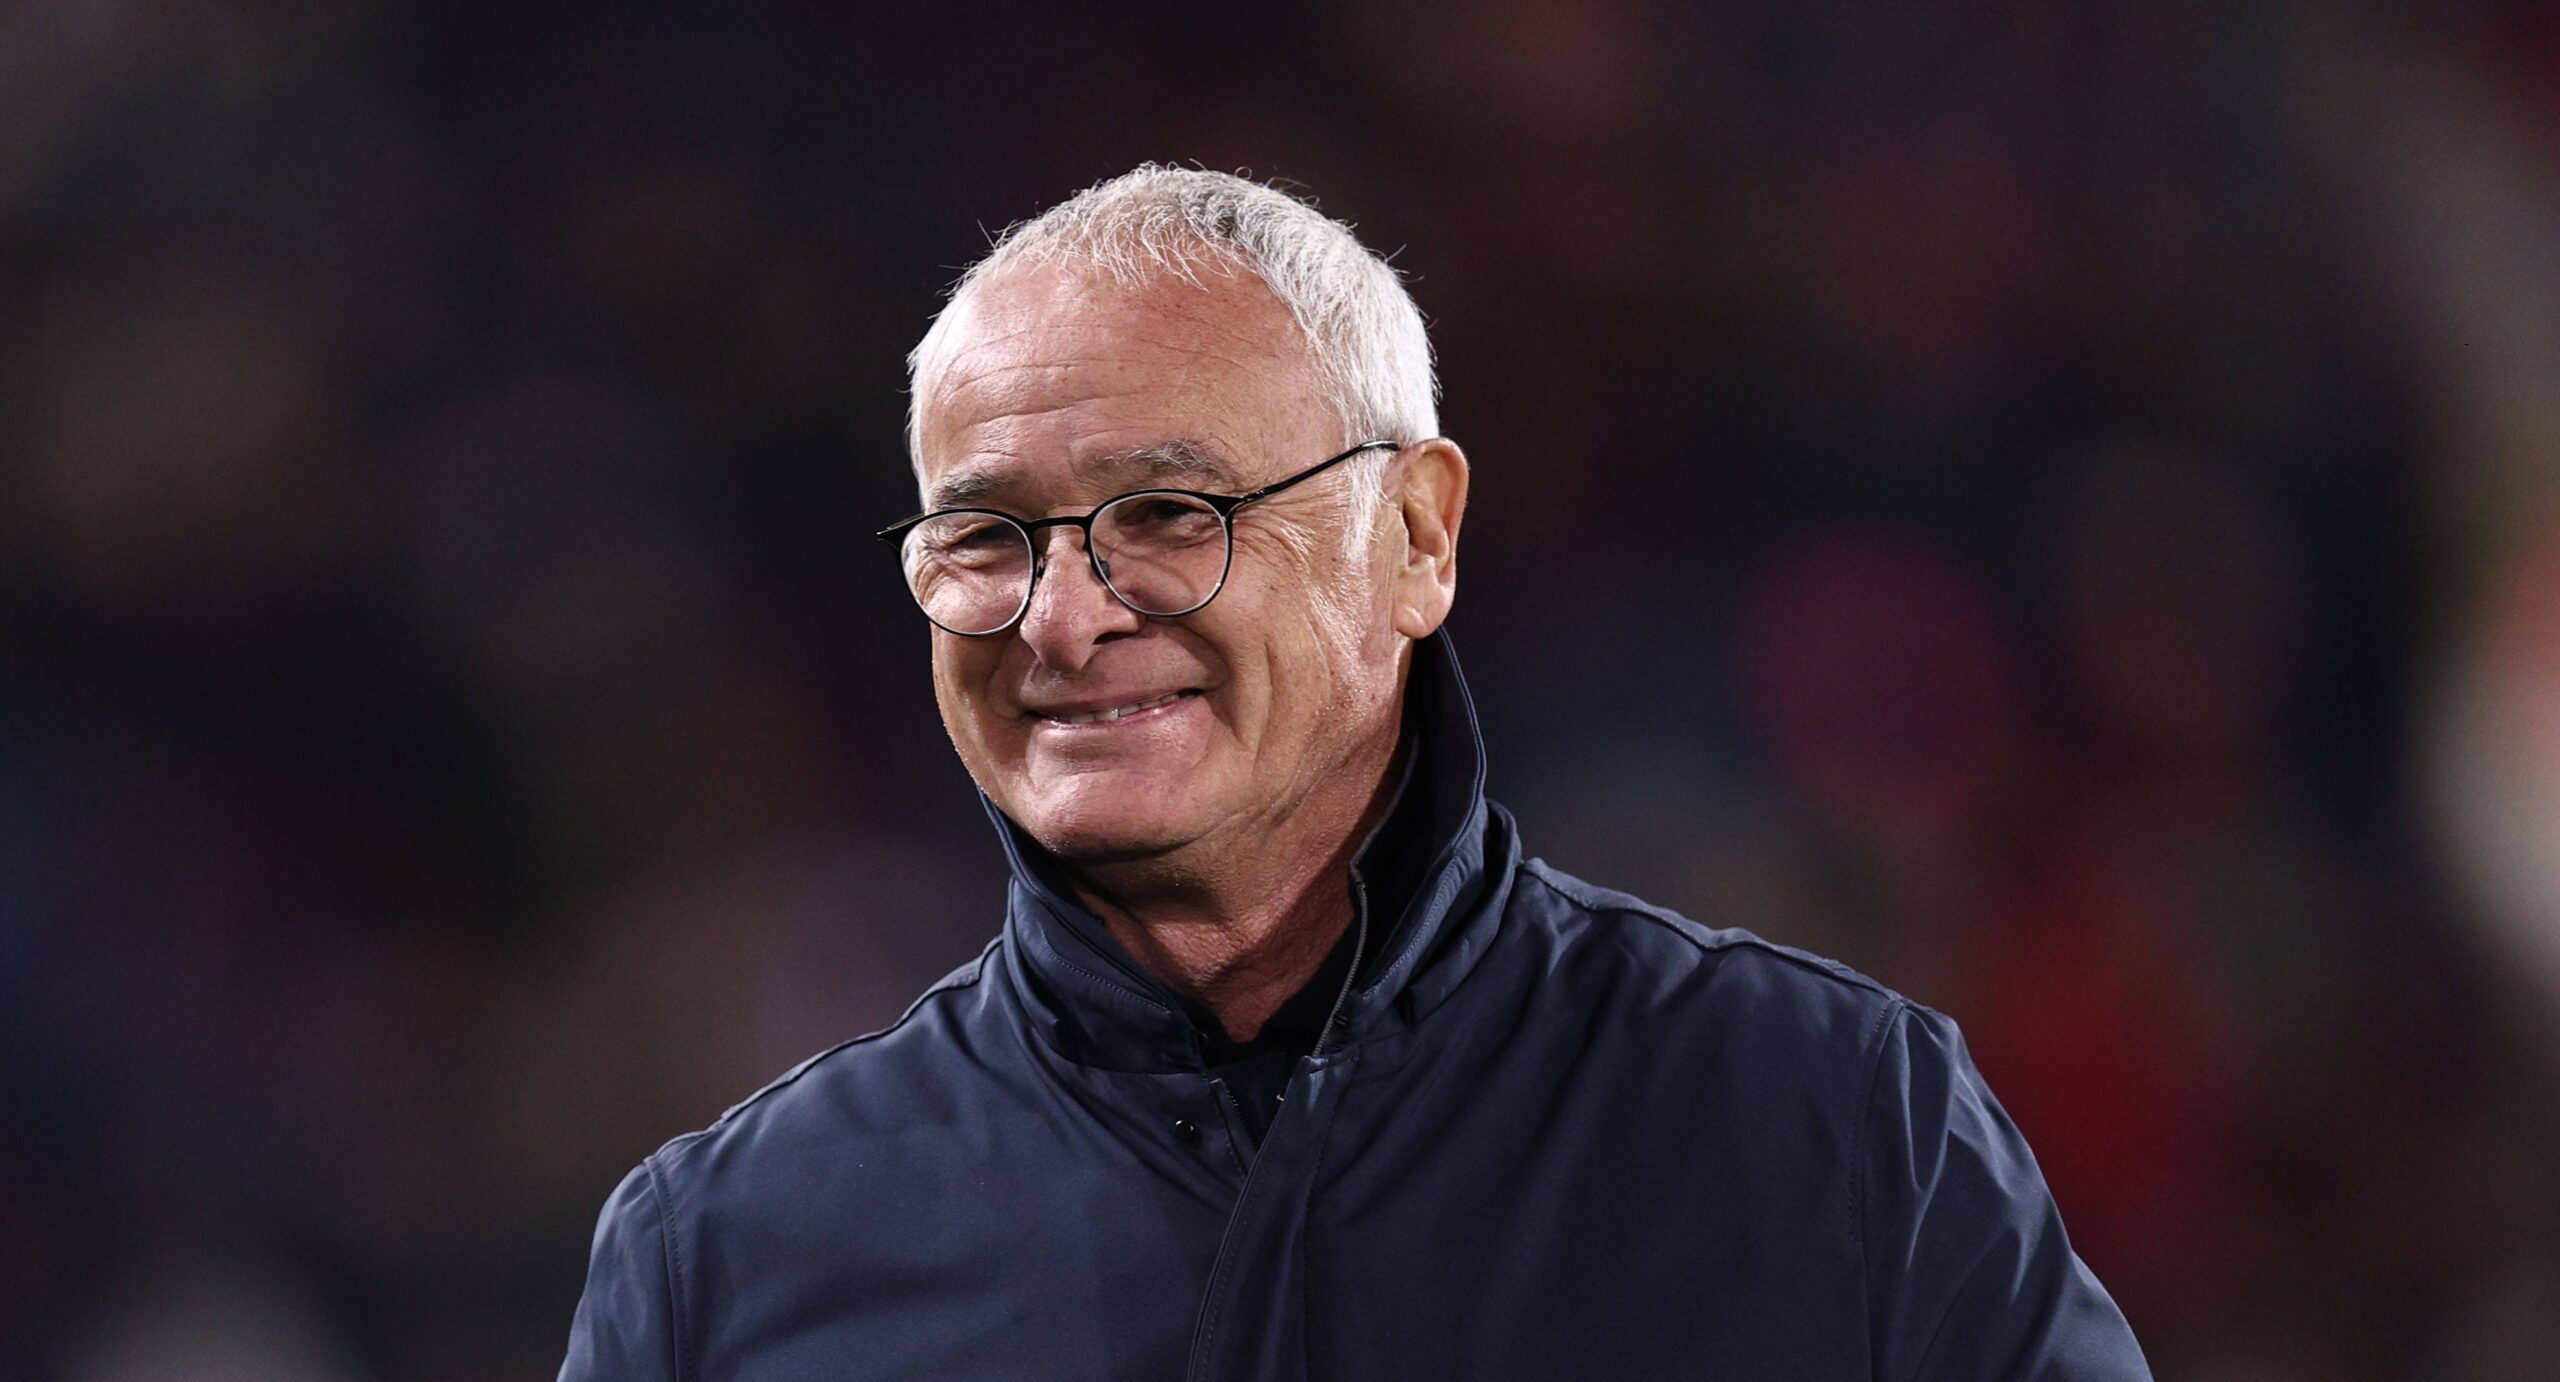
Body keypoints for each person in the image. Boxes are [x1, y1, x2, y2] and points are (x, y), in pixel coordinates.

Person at [559, 165, 2150, 1381]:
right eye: (984, 537)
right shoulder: (727, 1256)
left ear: (1416, 537)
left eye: (1168, 514)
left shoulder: (1835, 1125)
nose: (1062, 617)